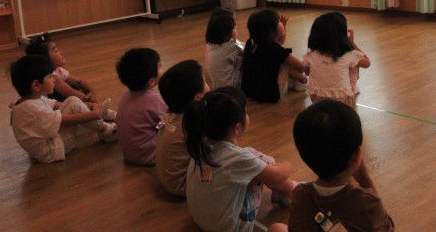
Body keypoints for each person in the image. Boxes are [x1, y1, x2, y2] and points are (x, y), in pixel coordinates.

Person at [268, 100, 394, 232]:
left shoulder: (300, 195)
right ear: (357, 156)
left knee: (276, 228)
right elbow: (387, 228)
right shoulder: (365, 202)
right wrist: (365, 180)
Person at [184, 86, 296, 232]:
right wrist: (287, 165)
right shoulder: (237, 158)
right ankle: (289, 191)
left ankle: (285, 192)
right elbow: (277, 175)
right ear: (237, 128)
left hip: (202, 220)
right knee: (259, 160)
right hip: (229, 228)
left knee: (252, 162)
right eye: (245, 111)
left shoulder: (201, 144)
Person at [9, 55, 117, 163]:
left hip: (48, 140)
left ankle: (102, 114)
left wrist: (90, 105)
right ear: (36, 85)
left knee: (73, 101)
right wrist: (94, 114)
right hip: (52, 149)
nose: (54, 80)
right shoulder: (34, 110)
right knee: (75, 106)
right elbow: (69, 120)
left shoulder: (30, 100)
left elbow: (59, 104)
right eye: (50, 77)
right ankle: (107, 130)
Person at [25, 32, 117, 120]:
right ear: (44, 59)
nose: (61, 52)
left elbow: (80, 81)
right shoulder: (52, 76)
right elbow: (71, 92)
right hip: (54, 110)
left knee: (75, 84)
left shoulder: (58, 70)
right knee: (73, 87)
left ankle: (96, 110)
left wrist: (92, 92)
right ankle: (96, 111)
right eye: (56, 50)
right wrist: (90, 100)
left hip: (61, 103)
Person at [156, 60, 210, 197]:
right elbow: (211, 147)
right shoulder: (192, 121)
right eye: (204, 81)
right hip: (183, 186)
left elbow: (159, 128)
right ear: (197, 97)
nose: (207, 84)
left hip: (168, 180)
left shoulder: (170, 112)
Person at [304, 11, 371, 106]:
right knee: (355, 65)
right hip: (343, 100)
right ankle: (351, 89)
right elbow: (367, 63)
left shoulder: (310, 55)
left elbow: (307, 72)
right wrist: (352, 44)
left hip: (316, 100)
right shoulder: (349, 55)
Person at [241, 9, 307, 103]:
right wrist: (308, 63)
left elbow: (280, 43)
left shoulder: (251, 43)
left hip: (250, 91)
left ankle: (292, 80)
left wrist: (283, 28)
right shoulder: (275, 50)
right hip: (270, 94)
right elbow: (301, 67)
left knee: (281, 58)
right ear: (271, 31)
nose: (281, 23)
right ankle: (302, 81)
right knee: (288, 62)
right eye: (279, 22)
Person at [115, 47, 167, 165]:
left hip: (129, 154)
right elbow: (165, 123)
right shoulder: (153, 100)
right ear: (151, 82)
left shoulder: (126, 95)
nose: (162, 69)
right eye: (160, 67)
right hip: (151, 155)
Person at [205, 7, 244, 89]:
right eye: (234, 26)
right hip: (232, 88)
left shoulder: (211, 44)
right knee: (244, 59)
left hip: (217, 86)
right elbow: (246, 50)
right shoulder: (232, 46)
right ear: (226, 32)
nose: (236, 24)